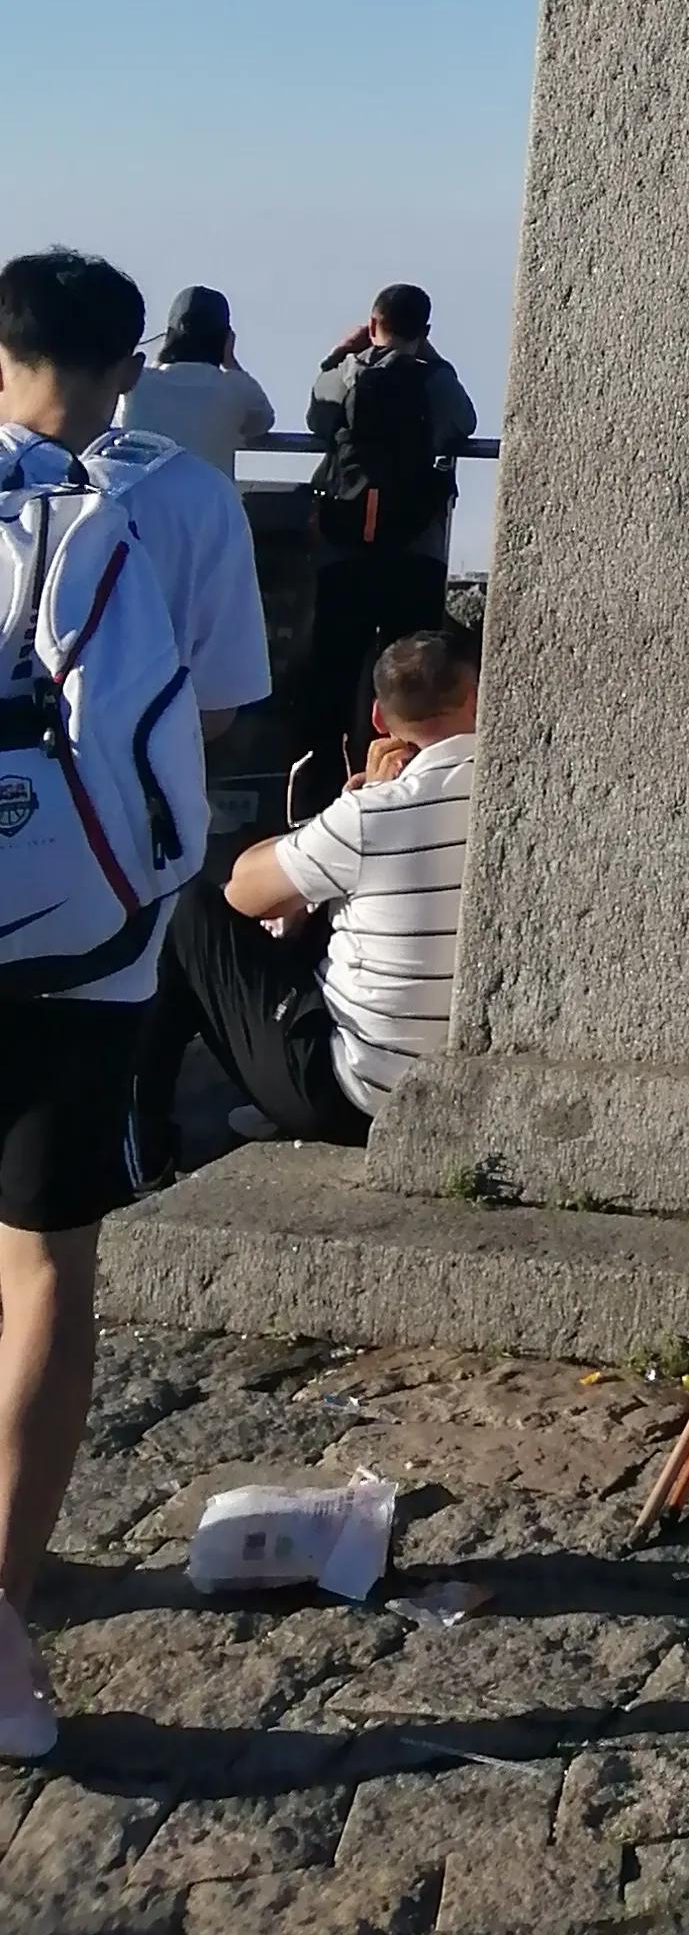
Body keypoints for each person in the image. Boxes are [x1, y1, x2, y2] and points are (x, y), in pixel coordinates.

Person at [0, 247, 269, 1762]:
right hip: (91, 939)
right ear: (132, 366)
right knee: (45, 1269)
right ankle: (4, 1594)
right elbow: (220, 707)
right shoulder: (174, 495)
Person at [129, 623, 479, 1177]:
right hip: (468, 1091)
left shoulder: (374, 812)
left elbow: (244, 894)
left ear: (380, 722)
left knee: (190, 911)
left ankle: (141, 1145)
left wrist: (356, 800)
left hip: (358, 1098)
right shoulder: (516, 789)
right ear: (480, 697)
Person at [298, 287, 477, 799]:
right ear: (425, 330)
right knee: (414, 672)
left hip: (345, 545)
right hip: (412, 549)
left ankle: (319, 786)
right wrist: (429, 356)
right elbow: (462, 424)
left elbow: (317, 417)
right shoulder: (434, 379)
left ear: (373, 323)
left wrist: (340, 354)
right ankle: (407, 778)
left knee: (334, 668)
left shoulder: (347, 375)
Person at [121, 286, 275, 479]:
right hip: (209, 506)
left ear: (168, 337)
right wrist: (231, 362)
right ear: (226, 340)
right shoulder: (236, 388)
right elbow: (263, 421)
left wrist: (160, 359)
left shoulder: (137, 383)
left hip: (142, 505)